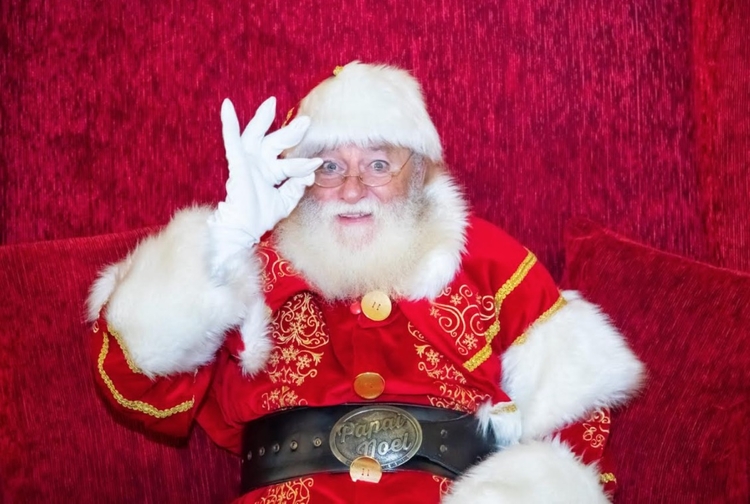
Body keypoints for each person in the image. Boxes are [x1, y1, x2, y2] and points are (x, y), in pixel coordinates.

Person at [87, 61, 644, 503]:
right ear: (299, 176)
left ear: (418, 171)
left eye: (378, 165)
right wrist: (219, 244)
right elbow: (135, 382)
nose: (352, 189)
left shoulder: (488, 259)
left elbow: (576, 416)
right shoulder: (248, 261)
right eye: (329, 167)